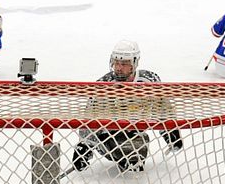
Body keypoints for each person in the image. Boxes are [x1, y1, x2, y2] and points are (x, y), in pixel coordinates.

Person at [71, 40, 183, 173]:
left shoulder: (150, 81)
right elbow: (90, 119)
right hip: (108, 137)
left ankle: (132, 175)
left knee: (138, 142)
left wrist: (170, 131)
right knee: (134, 145)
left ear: (134, 63)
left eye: (124, 64)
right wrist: (84, 146)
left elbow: (163, 108)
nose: (118, 67)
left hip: (136, 133)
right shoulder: (103, 85)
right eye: (116, 62)